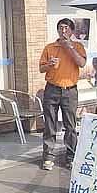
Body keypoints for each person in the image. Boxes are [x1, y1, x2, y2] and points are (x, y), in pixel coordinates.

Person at [39, 18, 87, 170]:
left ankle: (71, 157)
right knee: (50, 124)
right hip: (52, 89)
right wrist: (49, 64)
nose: (63, 30)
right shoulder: (50, 47)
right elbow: (41, 69)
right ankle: (48, 157)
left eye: (66, 28)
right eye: (61, 27)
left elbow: (81, 63)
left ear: (72, 31)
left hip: (70, 90)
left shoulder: (78, 46)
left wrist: (69, 47)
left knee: (70, 125)